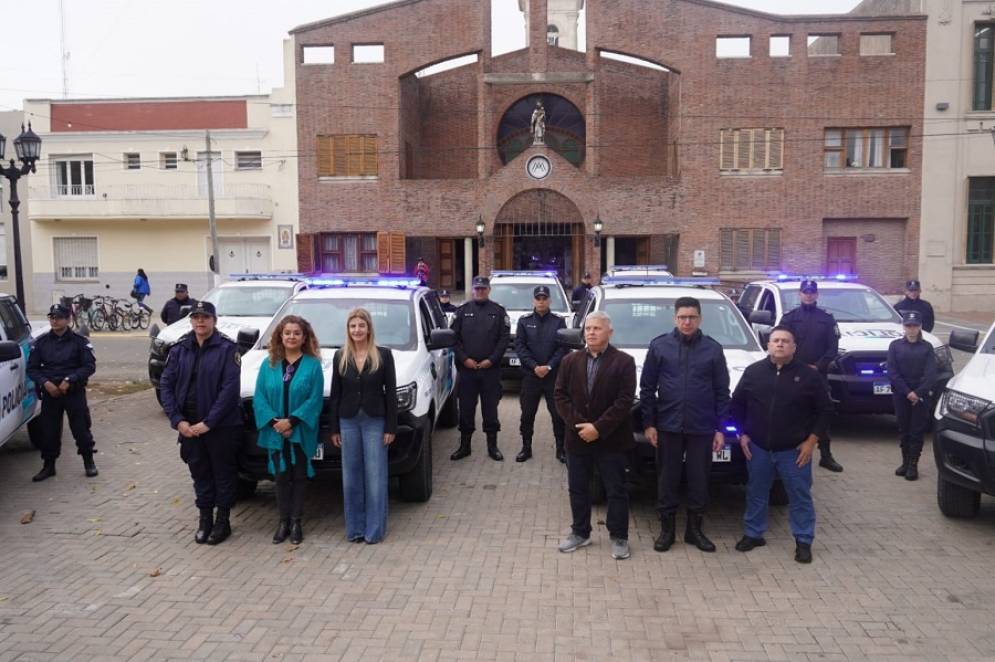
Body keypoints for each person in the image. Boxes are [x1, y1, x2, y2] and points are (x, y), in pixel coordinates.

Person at [730, 326, 833, 564]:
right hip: (758, 448)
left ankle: (803, 541)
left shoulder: (809, 376)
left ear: (794, 347)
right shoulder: (753, 372)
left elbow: (825, 410)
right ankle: (754, 534)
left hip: (795, 450)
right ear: (768, 345)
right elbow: (737, 406)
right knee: (756, 493)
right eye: (775, 340)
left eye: (785, 341)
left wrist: (811, 441)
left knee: (799, 496)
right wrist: (742, 434)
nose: (780, 344)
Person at [640, 296, 730, 553]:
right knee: (667, 479)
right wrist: (649, 424)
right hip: (668, 425)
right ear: (675, 319)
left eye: (691, 317)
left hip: (702, 427)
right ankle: (667, 531)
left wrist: (721, 428)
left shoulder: (713, 349)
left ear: (700, 319)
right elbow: (647, 388)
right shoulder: (659, 346)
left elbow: (722, 391)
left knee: (699, 479)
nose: (687, 321)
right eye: (682, 317)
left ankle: (694, 530)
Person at [159, 300, 243, 545]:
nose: (200, 322)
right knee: (200, 473)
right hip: (189, 426)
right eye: (196, 317)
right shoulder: (180, 349)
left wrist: (209, 422)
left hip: (221, 426)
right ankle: (204, 519)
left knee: (223, 473)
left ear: (214, 320)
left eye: (205, 317)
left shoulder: (228, 349)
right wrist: (177, 420)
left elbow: (229, 390)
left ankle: (223, 521)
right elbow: (166, 385)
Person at [554, 311, 636, 560]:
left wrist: (598, 428)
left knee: (616, 489)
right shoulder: (570, 361)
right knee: (578, 488)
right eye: (588, 328)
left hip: (611, 439)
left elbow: (624, 401)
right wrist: (581, 426)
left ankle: (619, 536)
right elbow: (560, 396)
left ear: (609, 332)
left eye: (597, 328)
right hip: (577, 438)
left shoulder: (624, 362)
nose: (591, 332)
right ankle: (580, 532)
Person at [253, 315, 324, 544]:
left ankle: (296, 522)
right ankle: (283, 522)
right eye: (287, 333)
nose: (291, 337)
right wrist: (276, 422)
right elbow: (259, 398)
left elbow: (314, 400)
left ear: (304, 337)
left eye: (296, 333)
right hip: (275, 432)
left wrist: (292, 422)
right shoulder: (269, 364)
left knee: (299, 476)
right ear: (280, 336)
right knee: (281, 477)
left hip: (299, 431)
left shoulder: (313, 365)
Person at [329, 308, 398, 544]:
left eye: (361, 325)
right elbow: (335, 395)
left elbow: (390, 394)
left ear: (369, 328)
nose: (357, 330)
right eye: (353, 326)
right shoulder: (341, 356)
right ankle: (355, 530)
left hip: (375, 421)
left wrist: (391, 427)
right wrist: (334, 429)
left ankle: (374, 531)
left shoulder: (384, 355)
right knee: (351, 477)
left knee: (375, 476)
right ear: (348, 330)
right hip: (347, 420)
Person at [26, 304, 98, 482]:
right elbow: (32, 369)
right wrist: (45, 383)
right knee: (49, 431)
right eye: (51, 317)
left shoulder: (79, 342)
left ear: (68, 320)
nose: (54, 320)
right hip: (51, 393)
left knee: (81, 429)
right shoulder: (41, 343)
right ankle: (48, 466)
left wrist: (70, 379)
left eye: (58, 317)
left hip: (73, 392)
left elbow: (89, 366)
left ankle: (88, 461)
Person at [780, 279, 843, 473]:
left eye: (811, 292)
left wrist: (818, 366)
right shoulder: (789, 318)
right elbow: (781, 342)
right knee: (790, 411)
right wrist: (796, 365)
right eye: (805, 292)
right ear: (799, 294)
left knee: (821, 411)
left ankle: (825, 455)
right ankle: (788, 450)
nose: (808, 295)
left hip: (818, 374)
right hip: (792, 372)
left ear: (816, 295)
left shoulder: (826, 318)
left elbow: (833, 348)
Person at [450, 276, 511, 462]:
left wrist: (491, 360)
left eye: (483, 289)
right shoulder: (462, 311)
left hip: (490, 371)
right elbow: (454, 339)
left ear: (489, 290)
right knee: (466, 409)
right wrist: (464, 358)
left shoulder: (499, 312)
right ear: (472, 290)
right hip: (467, 371)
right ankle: (465, 446)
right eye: (477, 288)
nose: (480, 291)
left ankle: (492, 447)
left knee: (490, 410)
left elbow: (504, 340)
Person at [514, 285, 568, 463]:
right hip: (531, 376)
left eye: (544, 298)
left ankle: (561, 449)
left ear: (550, 300)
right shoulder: (524, 321)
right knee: (527, 414)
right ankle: (526, 447)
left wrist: (550, 366)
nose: (541, 301)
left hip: (553, 377)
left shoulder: (558, 322)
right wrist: (534, 366)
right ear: (533, 301)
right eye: (538, 298)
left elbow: (563, 347)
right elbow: (520, 347)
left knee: (557, 414)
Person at [887, 310, 938, 481]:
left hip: (921, 395)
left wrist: (918, 393)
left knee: (916, 431)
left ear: (920, 326)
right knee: (903, 429)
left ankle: (913, 465)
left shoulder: (927, 347)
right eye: (908, 325)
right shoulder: (895, 346)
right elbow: (892, 372)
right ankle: (905, 462)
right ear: (903, 327)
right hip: (902, 394)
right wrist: (907, 392)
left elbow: (931, 374)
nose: (911, 329)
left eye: (915, 325)